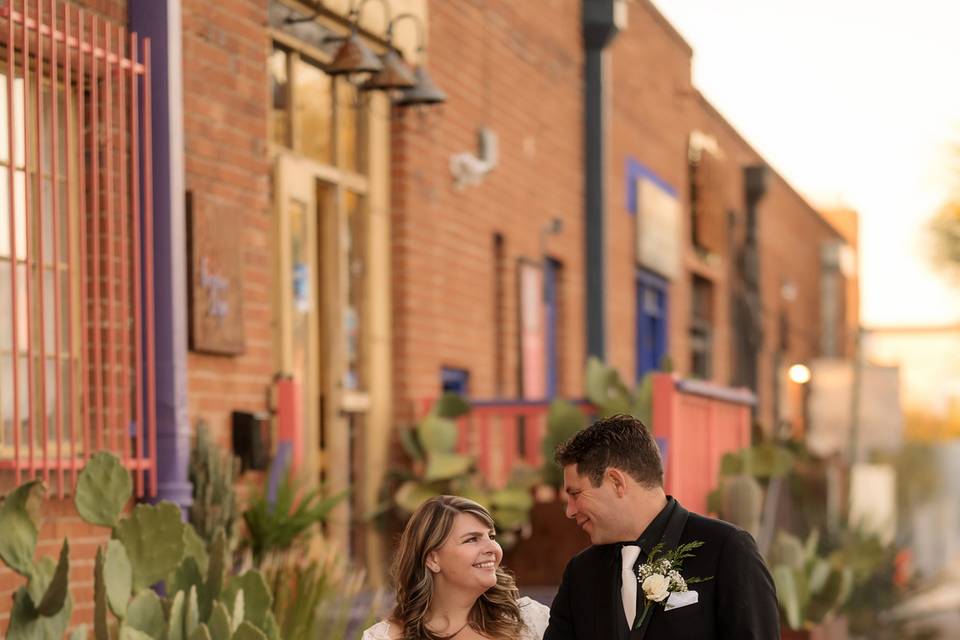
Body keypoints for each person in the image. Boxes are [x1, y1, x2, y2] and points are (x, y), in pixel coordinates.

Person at [543, 414, 779, 640]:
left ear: (616, 482)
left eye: (575, 494)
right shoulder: (581, 573)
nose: (570, 510)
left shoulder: (727, 550)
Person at [363, 495, 550, 640]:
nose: (492, 548)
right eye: (472, 539)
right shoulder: (384, 637)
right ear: (432, 559)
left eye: (491, 537)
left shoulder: (530, 620)